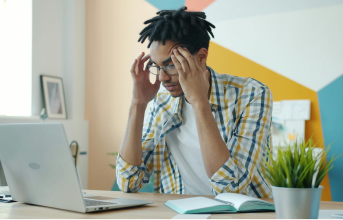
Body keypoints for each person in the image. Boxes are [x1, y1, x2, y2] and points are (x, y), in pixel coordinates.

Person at [116, 6, 273, 198]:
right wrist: (138, 104)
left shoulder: (251, 94)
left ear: (201, 57)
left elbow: (232, 189)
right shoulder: (161, 103)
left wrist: (199, 101)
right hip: (185, 211)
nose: (162, 78)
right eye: (156, 67)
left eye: (171, 65)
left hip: (246, 214)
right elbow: (128, 181)